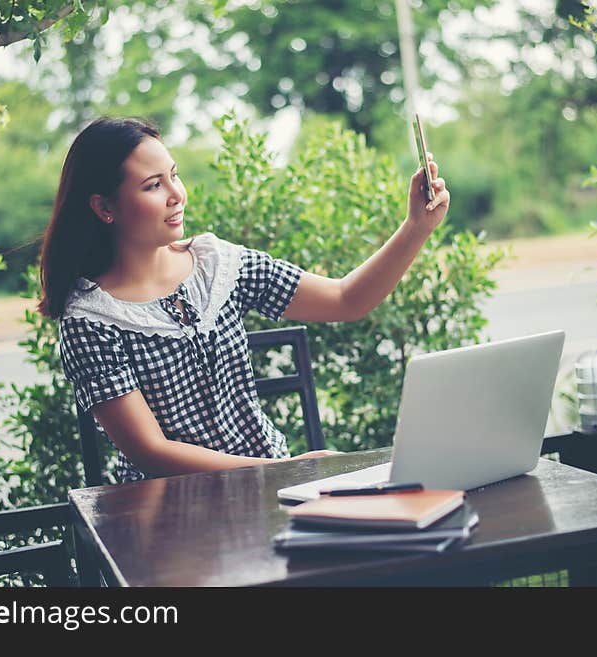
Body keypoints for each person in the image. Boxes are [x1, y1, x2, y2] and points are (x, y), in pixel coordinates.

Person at [38, 116, 450, 483]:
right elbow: (152, 452)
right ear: (104, 207)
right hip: (174, 512)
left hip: (273, 488)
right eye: (152, 185)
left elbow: (346, 300)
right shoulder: (91, 318)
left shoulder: (216, 264)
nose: (176, 194)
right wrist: (286, 471)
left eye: (174, 176)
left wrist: (416, 226)